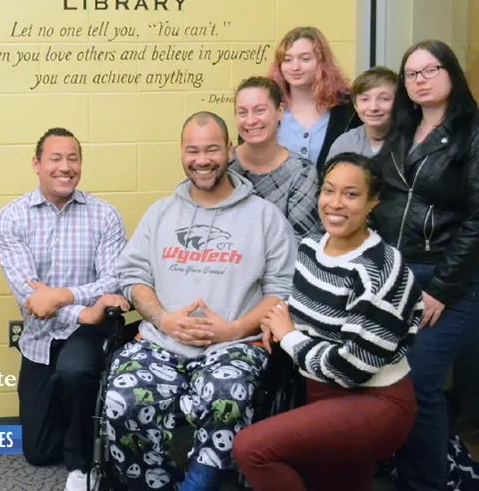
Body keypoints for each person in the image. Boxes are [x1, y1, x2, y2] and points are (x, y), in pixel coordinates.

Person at [105, 112, 296, 491]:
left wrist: (235, 328)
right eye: (193, 150)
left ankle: (196, 486)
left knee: (226, 399)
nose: (202, 159)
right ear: (181, 152)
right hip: (161, 343)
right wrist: (163, 319)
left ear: (229, 150)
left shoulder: (264, 217)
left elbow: (283, 289)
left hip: (236, 346)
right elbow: (133, 277)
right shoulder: (160, 213)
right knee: (121, 399)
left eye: (212, 149)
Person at [233, 152, 422, 491]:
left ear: (373, 202)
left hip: (374, 400)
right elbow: (301, 308)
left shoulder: (382, 269)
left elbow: (351, 367)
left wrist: (288, 336)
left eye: (351, 194)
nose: (335, 204)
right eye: (328, 191)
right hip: (321, 394)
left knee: (251, 449)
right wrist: (276, 318)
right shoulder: (310, 246)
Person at [0, 127, 129, 491]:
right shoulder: (12, 217)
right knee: (38, 452)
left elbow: (113, 283)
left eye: (73, 158)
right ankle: (77, 427)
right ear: (37, 164)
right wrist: (82, 308)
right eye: (55, 158)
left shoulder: (105, 216)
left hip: (89, 332)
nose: (65, 167)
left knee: (75, 372)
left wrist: (64, 297)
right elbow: (30, 297)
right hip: (39, 338)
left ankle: (83, 464)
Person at [370, 40, 479, 491]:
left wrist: (443, 289)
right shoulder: (402, 129)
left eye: (429, 70)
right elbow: (378, 189)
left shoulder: (472, 132)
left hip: (446, 280)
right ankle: (410, 467)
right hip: (396, 274)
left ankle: (428, 482)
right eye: (411, 74)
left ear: (451, 73)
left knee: (420, 383)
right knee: (389, 382)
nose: (419, 80)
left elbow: (477, 218)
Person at [228, 76, 320, 238]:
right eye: (242, 112)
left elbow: (300, 241)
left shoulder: (301, 172)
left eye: (259, 110)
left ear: (280, 112)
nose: (250, 120)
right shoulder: (225, 165)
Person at [268, 26, 358, 171]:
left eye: (305, 59)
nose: (295, 67)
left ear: (322, 63)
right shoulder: (268, 106)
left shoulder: (347, 109)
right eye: (287, 59)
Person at [326, 67, 399, 160]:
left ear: (398, 102)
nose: (373, 107)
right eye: (365, 99)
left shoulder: (410, 142)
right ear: (355, 105)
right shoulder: (344, 144)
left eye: (384, 99)